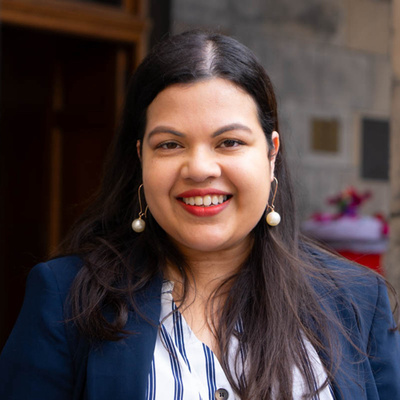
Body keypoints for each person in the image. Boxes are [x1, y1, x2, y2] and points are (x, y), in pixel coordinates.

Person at [0, 30, 399, 400]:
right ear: (141, 158)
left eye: (229, 142)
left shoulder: (357, 302)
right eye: (170, 144)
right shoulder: (67, 300)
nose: (200, 169)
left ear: (271, 153)